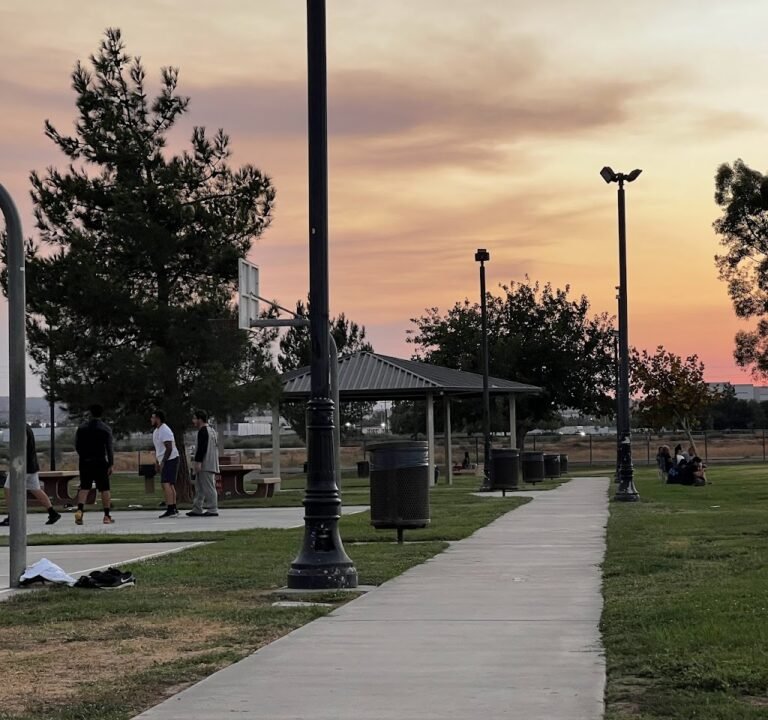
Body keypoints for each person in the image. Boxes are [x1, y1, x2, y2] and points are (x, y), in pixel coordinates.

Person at [0, 424, 61, 526]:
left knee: (8, 489)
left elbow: (21, 446)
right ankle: (52, 512)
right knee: (35, 489)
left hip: (21, 466)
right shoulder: (27, 427)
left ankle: (12, 517)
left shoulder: (21, 428)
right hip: (31, 465)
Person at [74, 404, 115, 525]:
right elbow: (109, 448)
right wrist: (111, 464)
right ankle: (106, 516)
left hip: (85, 461)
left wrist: (83, 456)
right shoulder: (105, 429)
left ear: (90, 413)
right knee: (104, 488)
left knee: (84, 487)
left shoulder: (82, 428)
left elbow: (77, 445)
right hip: (100, 461)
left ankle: (80, 512)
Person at [187, 410, 220, 517]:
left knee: (209, 487)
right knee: (200, 487)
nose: (193, 421)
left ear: (200, 419)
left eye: (194, 418)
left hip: (206, 464)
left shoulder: (203, 431)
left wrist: (198, 462)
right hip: (210, 462)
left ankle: (212, 508)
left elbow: (202, 448)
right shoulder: (212, 430)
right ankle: (197, 508)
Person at [152, 410, 180, 518]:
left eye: (153, 417)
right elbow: (158, 449)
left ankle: (171, 508)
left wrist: (163, 462)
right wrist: (157, 461)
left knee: (166, 483)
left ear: (158, 419)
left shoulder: (165, 430)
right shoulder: (156, 431)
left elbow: (169, 447)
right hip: (164, 459)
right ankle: (173, 508)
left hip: (171, 459)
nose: (151, 419)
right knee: (168, 484)